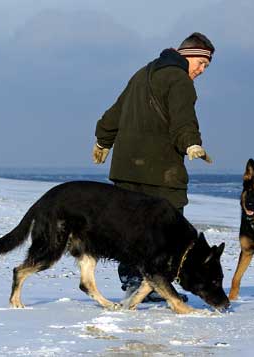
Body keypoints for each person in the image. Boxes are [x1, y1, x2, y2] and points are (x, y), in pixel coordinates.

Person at [92, 32, 215, 301]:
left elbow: (115, 112)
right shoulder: (180, 80)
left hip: (126, 168)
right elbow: (183, 120)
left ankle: (133, 282)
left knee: (128, 227)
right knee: (170, 228)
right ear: (190, 55)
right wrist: (192, 144)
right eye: (202, 64)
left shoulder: (143, 73)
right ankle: (156, 285)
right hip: (161, 171)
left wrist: (103, 140)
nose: (202, 71)